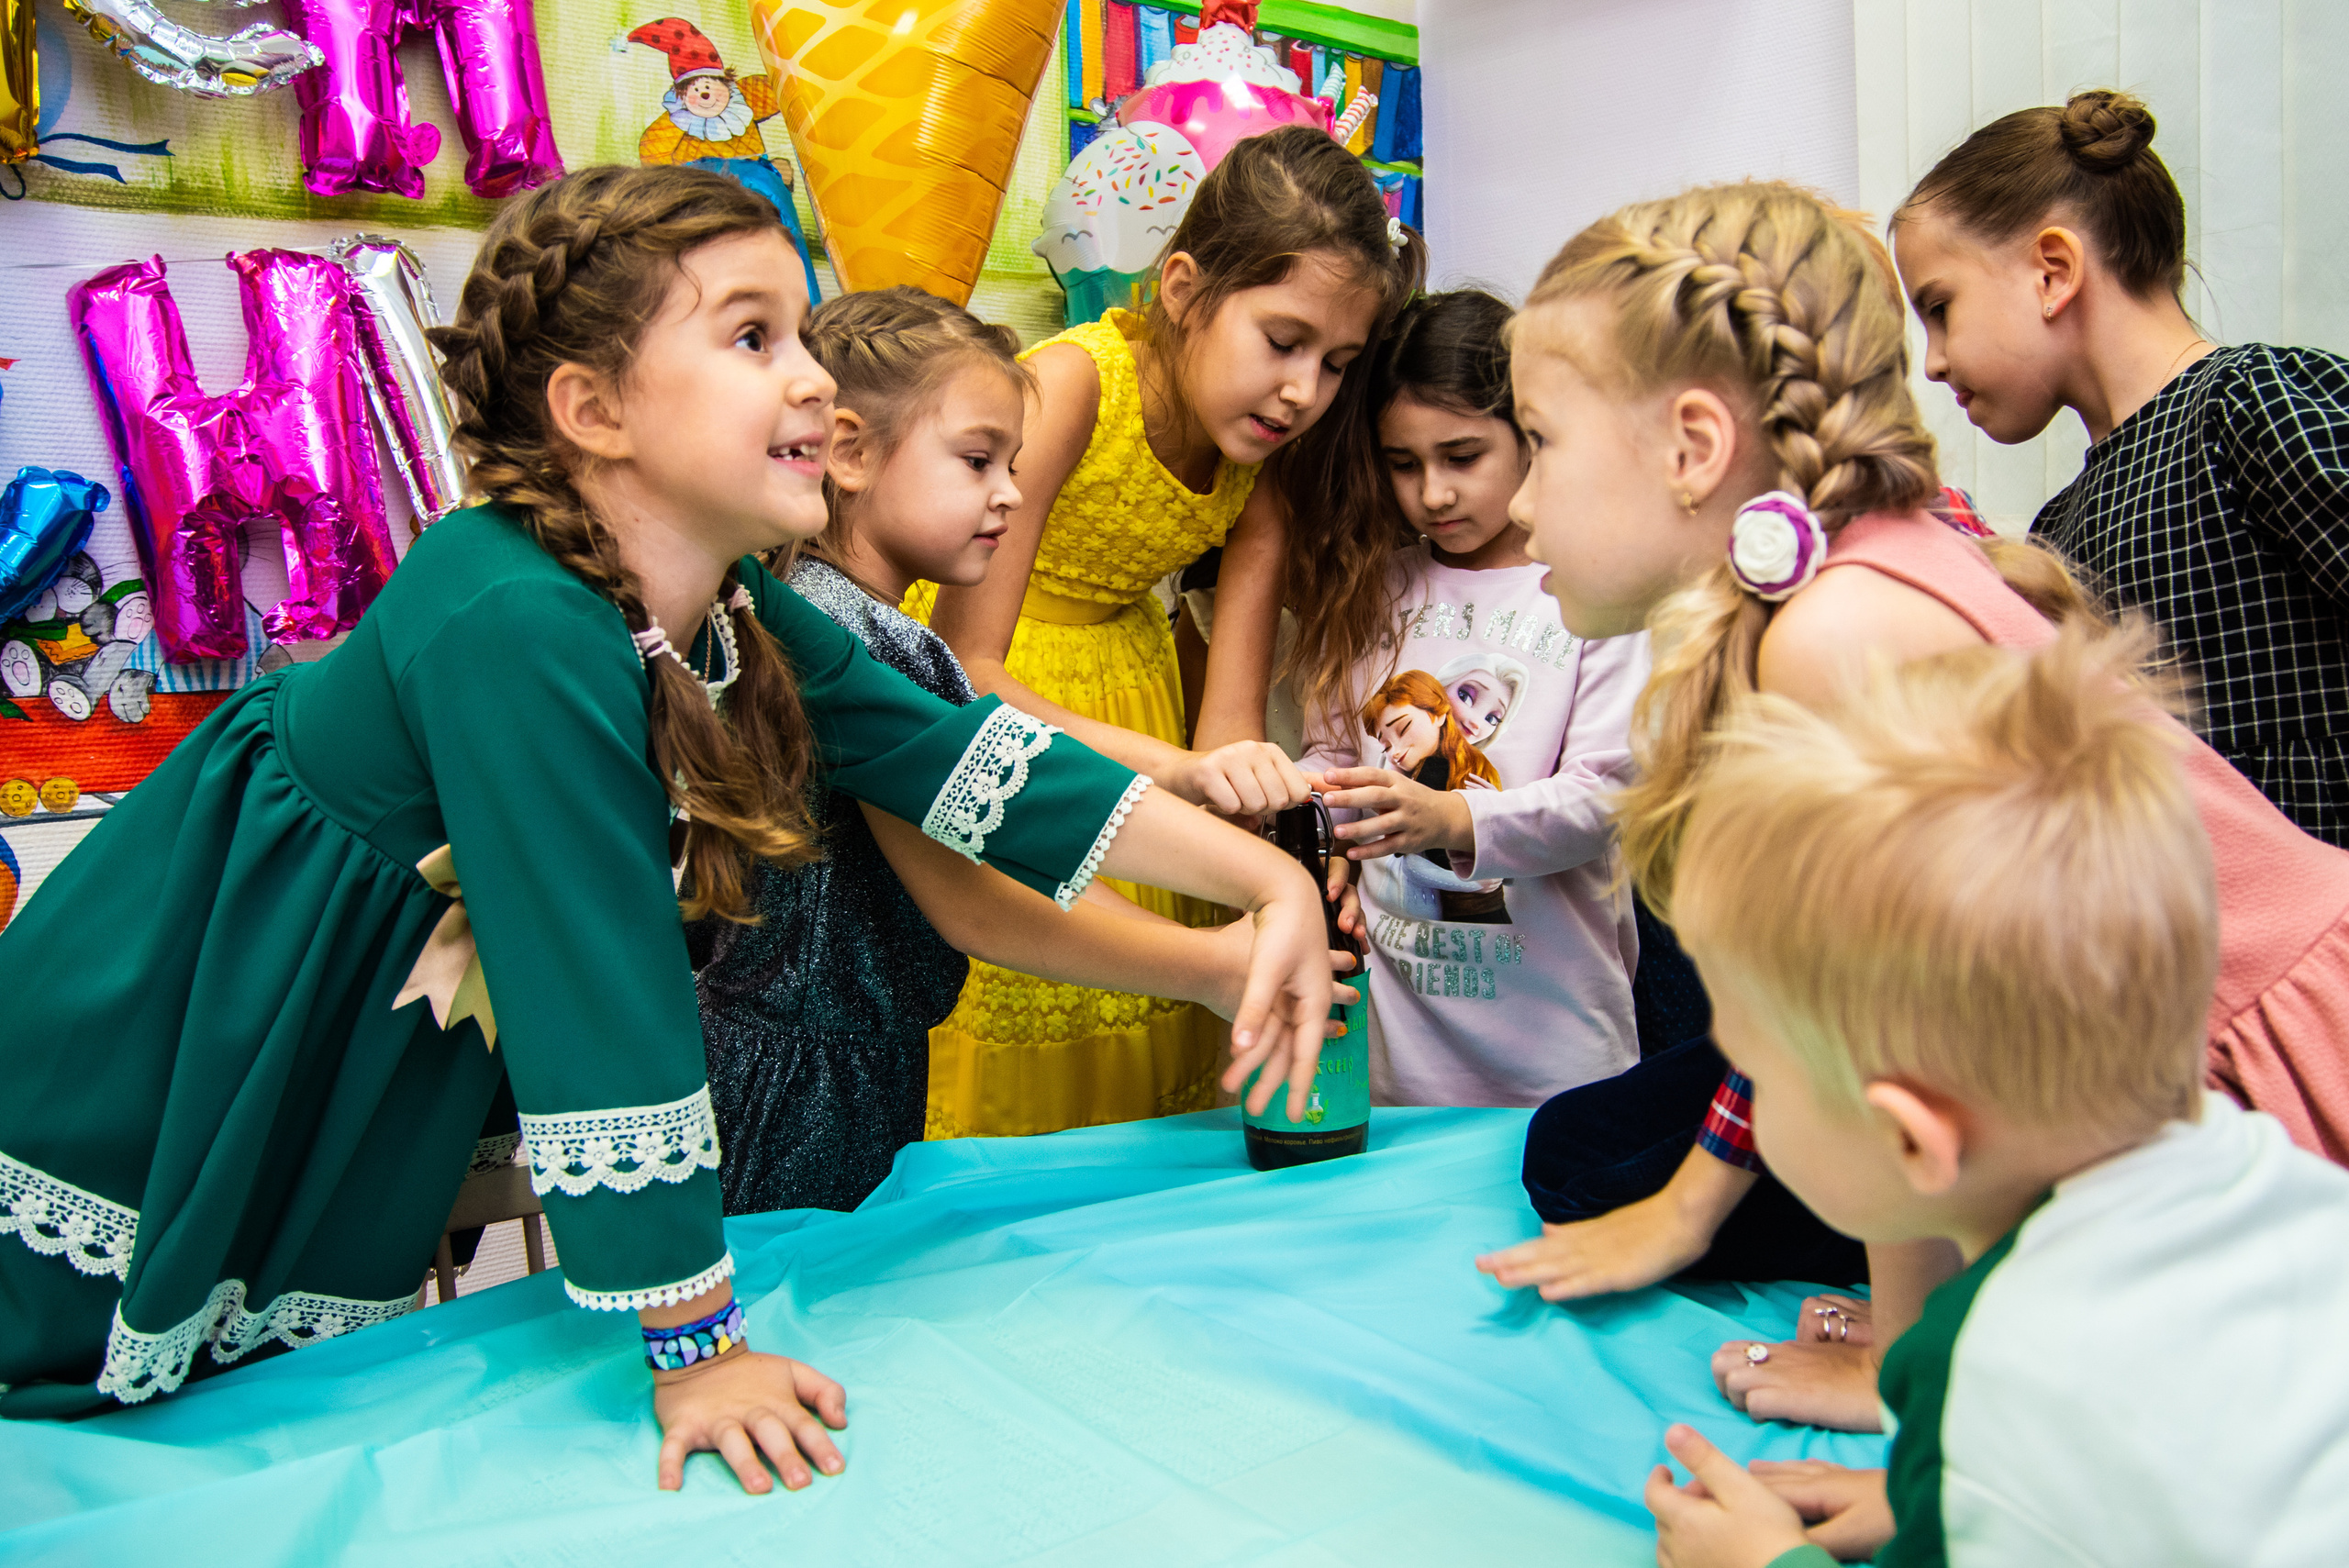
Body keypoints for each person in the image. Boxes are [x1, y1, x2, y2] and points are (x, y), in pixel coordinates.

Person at [0, 168, 1349, 1493]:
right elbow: (600, 978)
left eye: (806, 335)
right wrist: (696, 1345)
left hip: (344, 1023)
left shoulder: (726, 603)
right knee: (76, 1395)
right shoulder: (515, 615)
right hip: (190, 1016)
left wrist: (1259, 887)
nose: (814, 377)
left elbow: (954, 759)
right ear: (595, 412)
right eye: (756, 336)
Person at [1471, 179, 2349, 1435]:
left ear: (1693, 448)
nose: (1516, 500)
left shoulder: (1835, 631)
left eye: (1541, 442)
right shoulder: (1853, 572)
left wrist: (1921, 1387)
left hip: (2258, 1074)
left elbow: (1921, 1045)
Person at [1642, 629, 2349, 1568]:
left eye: (1758, 1074)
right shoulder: (2291, 1185)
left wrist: (1768, 1560)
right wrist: (1940, 1501)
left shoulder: (1985, 1367)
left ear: (1910, 1140)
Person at [693, 286, 1306, 1216]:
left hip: (806, 1065)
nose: (1013, 494)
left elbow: (991, 867)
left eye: (1013, 463)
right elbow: (981, 882)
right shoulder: (865, 641)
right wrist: (1230, 932)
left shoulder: (830, 613)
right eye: (978, 459)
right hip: (796, 1088)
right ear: (849, 453)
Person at [912, 124, 1426, 1139]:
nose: (1303, 391)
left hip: (1141, 705)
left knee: (1153, 1031)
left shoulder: (1265, 464)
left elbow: (1228, 731)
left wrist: (1298, 847)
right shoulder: (1070, 386)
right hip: (1015, 718)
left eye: (1335, 364)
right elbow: (966, 675)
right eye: (1282, 342)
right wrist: (1182, 777)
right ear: (1185, 287)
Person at [1892, 87, 2349, 851]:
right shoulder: (2057, 530)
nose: (1933, 363)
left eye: (1940, 308)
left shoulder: (2248, 403)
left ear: (2052, 270)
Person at [1302, 288, 1646, 1106]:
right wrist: (1323, 831)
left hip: (1556, 1057)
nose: (1434, 493)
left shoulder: (1600, 592)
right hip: (1394, 1055)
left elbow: (1610, 795)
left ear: (1531, 434)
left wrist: (1451, 820)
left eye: (1462, 457)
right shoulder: (1368, 589)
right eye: (1403, 463)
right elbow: (1331, 759)